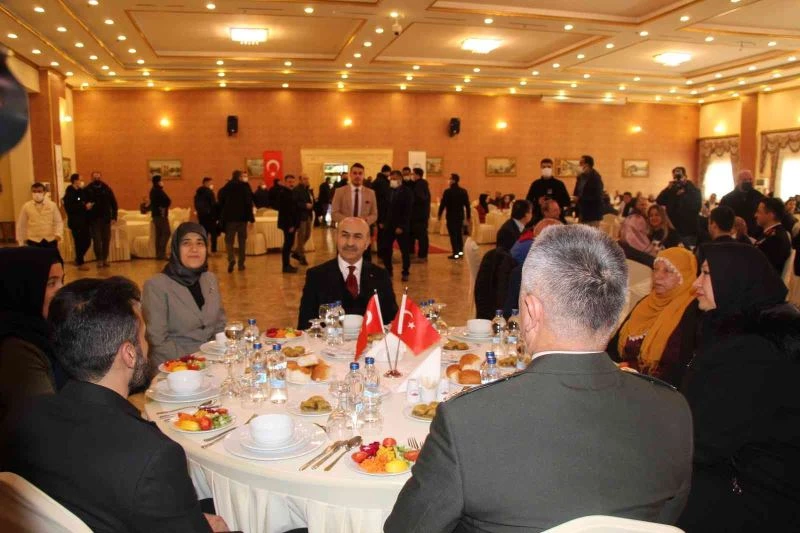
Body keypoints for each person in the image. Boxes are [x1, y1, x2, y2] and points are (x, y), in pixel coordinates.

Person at [386, 225, 693, 532]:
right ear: (616, 314)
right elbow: (665, 518)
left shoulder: (466, 423)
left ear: (531, 311)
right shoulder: (672, 410)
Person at [5, 276, 229, 532]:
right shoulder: (154, 455)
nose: (148, 344)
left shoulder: (21, 417)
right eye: (143, 336)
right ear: (129, 354)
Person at [678, 243, 800, 533]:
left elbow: (706, 440)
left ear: (733, 279)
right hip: (734, 471)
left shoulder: (754, 351)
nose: (695, 284)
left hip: (758, 492)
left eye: (706, 274)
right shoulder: (730, 329)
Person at [608, 248, 699, 387]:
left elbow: (678, 369)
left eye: (667, 271)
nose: (658, 276)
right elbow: (613, 349)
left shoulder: (691, 313)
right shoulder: (645, 304)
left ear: (684, 276)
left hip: (658, 388)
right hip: (622, 380)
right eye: (655, 269)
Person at [142, 223, 227, 367]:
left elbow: (220, 326)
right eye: (186, 243)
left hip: (211, 360)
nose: (194, 249)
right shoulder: (156, 285)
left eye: (200, 243)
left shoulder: (210, 279)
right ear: (175, 248)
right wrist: (195, 363)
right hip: (173, 366)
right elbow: (157, 341)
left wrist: (222, 353)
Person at [0, 248, 65, 428]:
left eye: (62, 281)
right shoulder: (17, 350)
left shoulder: (42, 331)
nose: (61, 291)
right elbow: (44, 423)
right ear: (22, 289)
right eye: (51, 283)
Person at [297, 217, 397, 330]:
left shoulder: (381, 276)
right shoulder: (317, 276)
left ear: (367, 242)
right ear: (336, 237)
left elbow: (393, 322)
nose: (350, 243)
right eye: (345, 235)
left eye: (357, 236)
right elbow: (305, 326)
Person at [218, 169, 254, 273]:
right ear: (239, 177)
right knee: (242, 241)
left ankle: (231, 258)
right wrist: (251, 218)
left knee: (229, 241)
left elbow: (220, 199)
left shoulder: (227, 186)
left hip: (230, 218)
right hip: (242, 218)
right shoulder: (244, 186)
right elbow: (249, 202)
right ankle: (241, 264)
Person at [379, 170, 413, 281]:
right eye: (391, 179)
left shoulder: (407, 192)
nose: (392, 181)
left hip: (401, 226)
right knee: (386, 249)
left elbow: (408, 211)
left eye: (394, 179)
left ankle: (405, 271)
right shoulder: (388, 191)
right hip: (388, 225)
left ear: (400, 179)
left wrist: (402, 226)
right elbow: (383, 207)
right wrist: (381, 221)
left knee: (405, 250)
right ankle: (388, 270)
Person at [656, 167, 702, 246]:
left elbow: (696, 207)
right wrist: (667, 189)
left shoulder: (694, 190)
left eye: (679, 176)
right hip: (672, 229)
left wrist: (682, 195)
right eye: (675, 177)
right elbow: (659, 201)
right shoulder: (671, 190)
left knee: (687, 251)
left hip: (688, 231)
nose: (677, 179)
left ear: (685, 176)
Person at [84, 170, 118, 268]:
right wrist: (86, 205)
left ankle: (105, 259)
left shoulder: (106, 188)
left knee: (106, 239)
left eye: (98, 177)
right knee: (97, 240)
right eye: (95, 177)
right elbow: (83, 202)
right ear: (92, 178)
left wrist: (114, 217)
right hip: (94, 219)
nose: (97, 179)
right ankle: (99, 259)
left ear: (101, 177)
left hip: (106, 218)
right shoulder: (87, 189)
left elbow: (114, 203)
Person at [720, 169, 765, 239]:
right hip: (734, 234)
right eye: (744, 180)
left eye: (750, 179)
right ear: (737, 181)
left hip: (756, 234)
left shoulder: (759, 197)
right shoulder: (727, 199)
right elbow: (723, 218)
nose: (748, 182)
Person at [16, 182, 63, 248]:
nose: (36, 193)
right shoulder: (26, 206)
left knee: (50, 255)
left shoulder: (52, 205)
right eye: (34, 191)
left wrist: (58, 234)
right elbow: (21, 224)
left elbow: (58, 221)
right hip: (33, 240)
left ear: (44, 192)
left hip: (50, 239)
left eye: (39, 191)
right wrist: (20, 241)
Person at [330, 163, 378, 228]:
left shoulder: (371, 193)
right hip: (345, 230)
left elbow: (374, 214)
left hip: (363, 230)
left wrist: (365, 220)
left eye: (360, 173)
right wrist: (349, 221)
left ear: (363, 175)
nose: (357, 176)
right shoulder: (339, 191)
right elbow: (334, 213)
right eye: (355, 173)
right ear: (350, 174)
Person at [754, 197, 791, 274]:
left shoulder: (775, 239)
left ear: (771, 215)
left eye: (759, 212)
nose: (755, 215)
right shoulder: (776, 232)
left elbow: (762, 267)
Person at [438, 173, 471, 259]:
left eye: (450, 179)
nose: (448, 181)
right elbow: (467, 205)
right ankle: (460, 252)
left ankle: (455, 253)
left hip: (451, 216)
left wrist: (439, 214)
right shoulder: (463, 191)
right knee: (459, 234)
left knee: (453, 235)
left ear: (453, 180)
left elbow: (443, 204)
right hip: (460, 215)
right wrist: (468, 216)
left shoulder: (447, 192)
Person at [63, 173, 91, 270]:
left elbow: (82, 200)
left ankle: (78, 258)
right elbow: (70, 207)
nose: (81, 181)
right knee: (79, 242)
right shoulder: (69, 193)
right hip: (76, 222)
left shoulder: (80, 191)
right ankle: (80, 262)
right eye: (80, 180)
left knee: (87, 241)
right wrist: (84, 206)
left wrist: (87, 204)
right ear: (75, 181)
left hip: (84, 221)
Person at [277, 174, 300, 273]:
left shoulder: (291, 192)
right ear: (285, 182)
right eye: (289, 182)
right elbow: (286, 211)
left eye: (293, 182)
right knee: (287, 244)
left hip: (291, 223)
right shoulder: (284, 194)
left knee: (289, 244)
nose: (291, 184)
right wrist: (290, 225)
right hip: (288, 224)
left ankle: (287, 265)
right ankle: (286, 266)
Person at [573, 155, 604, 226]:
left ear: (587, 165)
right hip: (582, 213)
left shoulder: (596, 178)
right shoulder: (580, 177)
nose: (579, 165)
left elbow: (597, 197)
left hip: (592, 214)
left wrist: (580, 199)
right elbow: (577, 192)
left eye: (581, 163)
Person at [291, 175, 314, 266]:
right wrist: (305, 205)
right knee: (301, 236)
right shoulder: (296, 190)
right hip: (301, 216)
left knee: (307, 235)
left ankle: (297, 252)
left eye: (307, 178)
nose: (307, 180)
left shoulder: (307, 189)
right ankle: (301, 256)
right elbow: (294, 203)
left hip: (308, 215)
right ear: (300, 180)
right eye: (305, 179)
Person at [409, 168, 431, 262]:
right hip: (421, 215)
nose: (412, 176)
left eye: (413, 174)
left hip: (419, 215)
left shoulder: (420, 184)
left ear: (417, 175)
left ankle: (422, 256)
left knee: (422, 236)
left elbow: (420, 198)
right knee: (419, 235)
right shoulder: (420, 184)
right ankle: (420, 255)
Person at [149, 174, 171, 260]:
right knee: (166, 232)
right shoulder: (157, 191)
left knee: (159, 234)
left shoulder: (153, 190)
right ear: (158, 182)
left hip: (156, 215)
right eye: (161, 180)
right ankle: (161, 253)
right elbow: (166, 201)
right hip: (161, 214)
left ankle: (159, 254)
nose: (162, 182)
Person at [194, 177, 218, 254]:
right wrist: (215, 215)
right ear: (206, 183)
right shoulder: (209, 193)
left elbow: (196, 204)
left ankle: (204, 250)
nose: (212, 185)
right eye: (210, 183)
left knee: (204, 233)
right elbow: (213, 204)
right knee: (213, 233)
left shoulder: (198, 193)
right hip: (210, 216)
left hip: (201, 216)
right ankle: (213, 250)